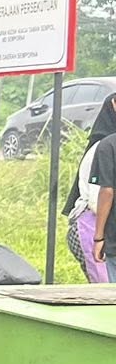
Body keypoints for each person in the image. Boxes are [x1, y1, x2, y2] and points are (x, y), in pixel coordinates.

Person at [65, 93, 116, 282]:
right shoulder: (103, 147)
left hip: (106, 232)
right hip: (92, 227)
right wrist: (99, 237)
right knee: (104, 290)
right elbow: (99, 197)